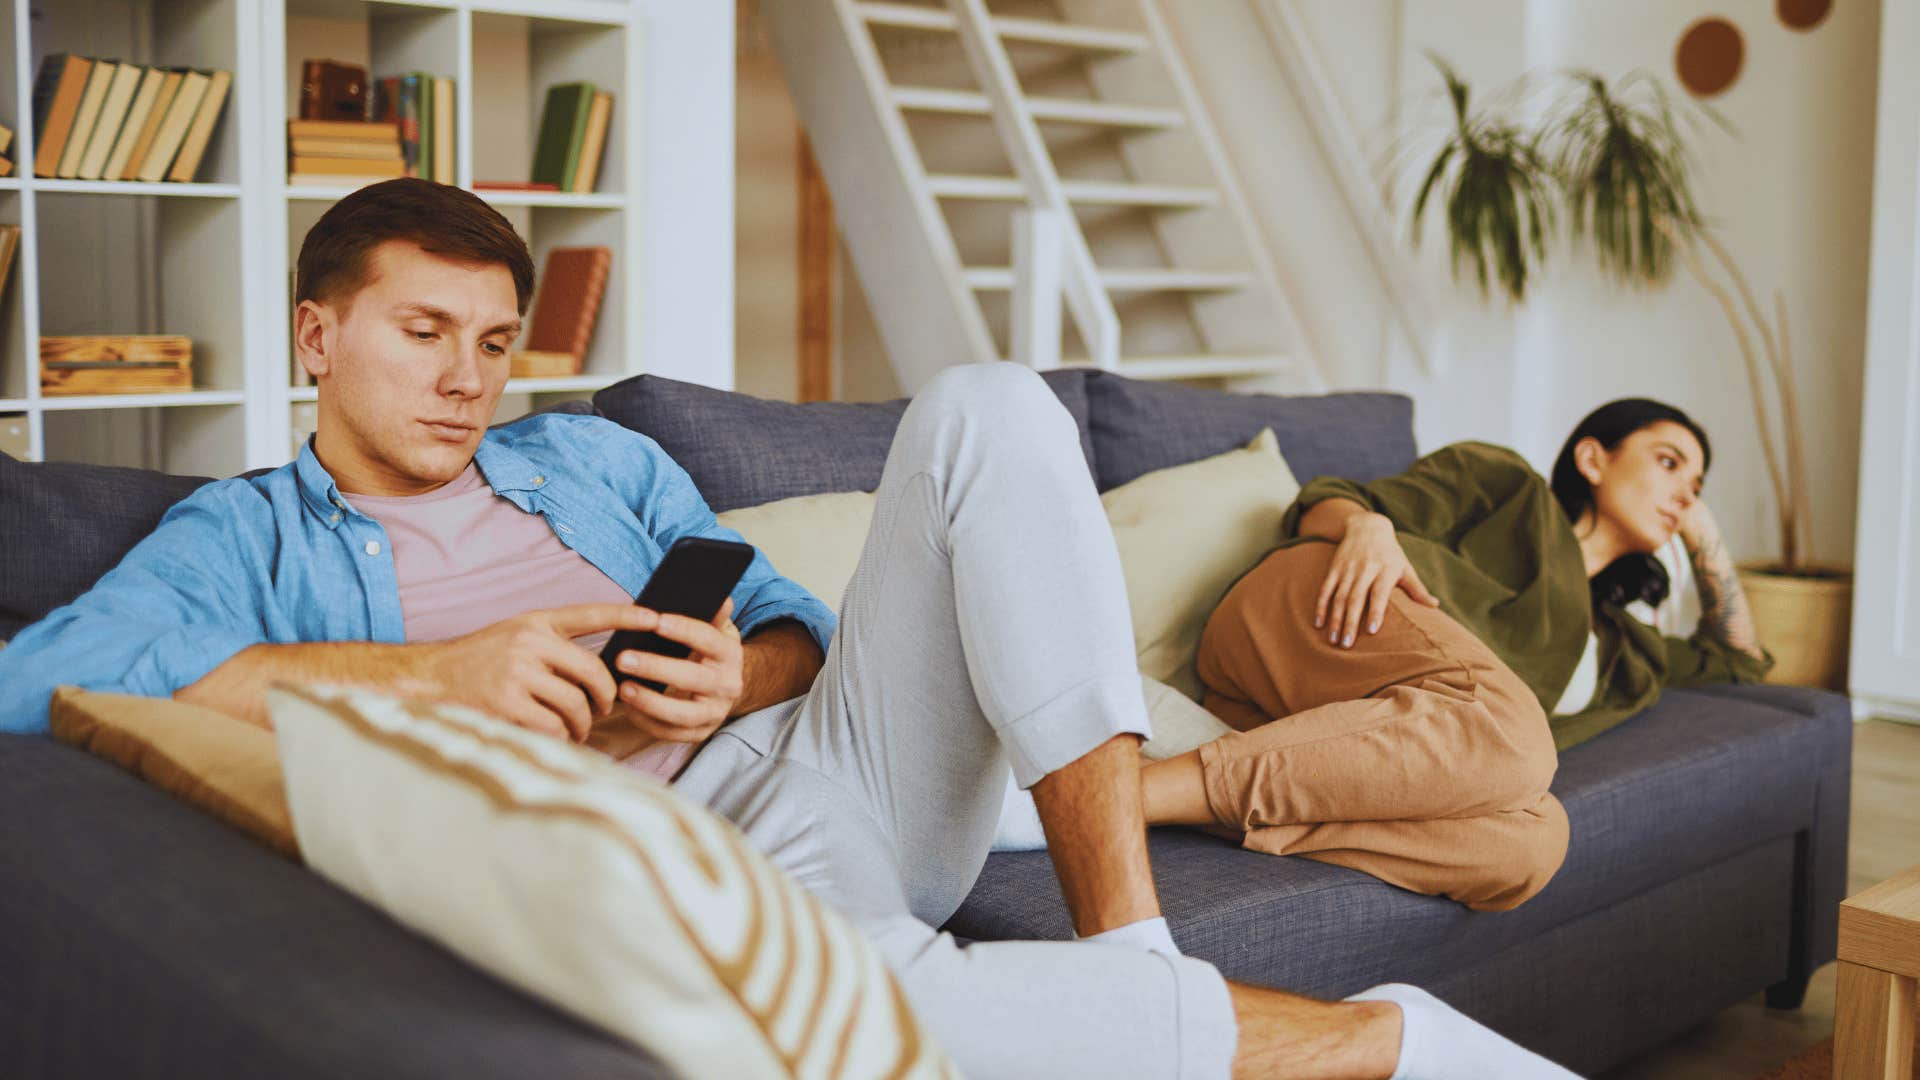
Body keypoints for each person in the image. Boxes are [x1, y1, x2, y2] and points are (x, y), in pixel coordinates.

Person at [0, 179, 1579, 1079]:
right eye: (423, 335)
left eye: (491, 341)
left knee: (982, 403)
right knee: (906, 1020)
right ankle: (1392, 1049)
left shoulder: (591, 460)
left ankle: (1131, 948)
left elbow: (796, 621)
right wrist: (437, 676)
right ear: (317, 335)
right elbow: (40, 683)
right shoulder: (244, 534)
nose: (469, 378)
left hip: (816, 765)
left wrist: (737, 665)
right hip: (651, 852)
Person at [1134, 404, 1771, 912]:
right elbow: (1327, 498)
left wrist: (1706, 541)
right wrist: (1366, 527)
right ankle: (1127, 796)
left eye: (1697, 486)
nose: (1686, 493)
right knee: (1516, 733)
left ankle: (1203, 801)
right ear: (1592, 459)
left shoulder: (1623, 650)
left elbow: (1739, 658)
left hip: (1315, 735)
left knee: (1533, 841)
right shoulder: (1511, 487)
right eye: (1669, 463)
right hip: (1317, 612)